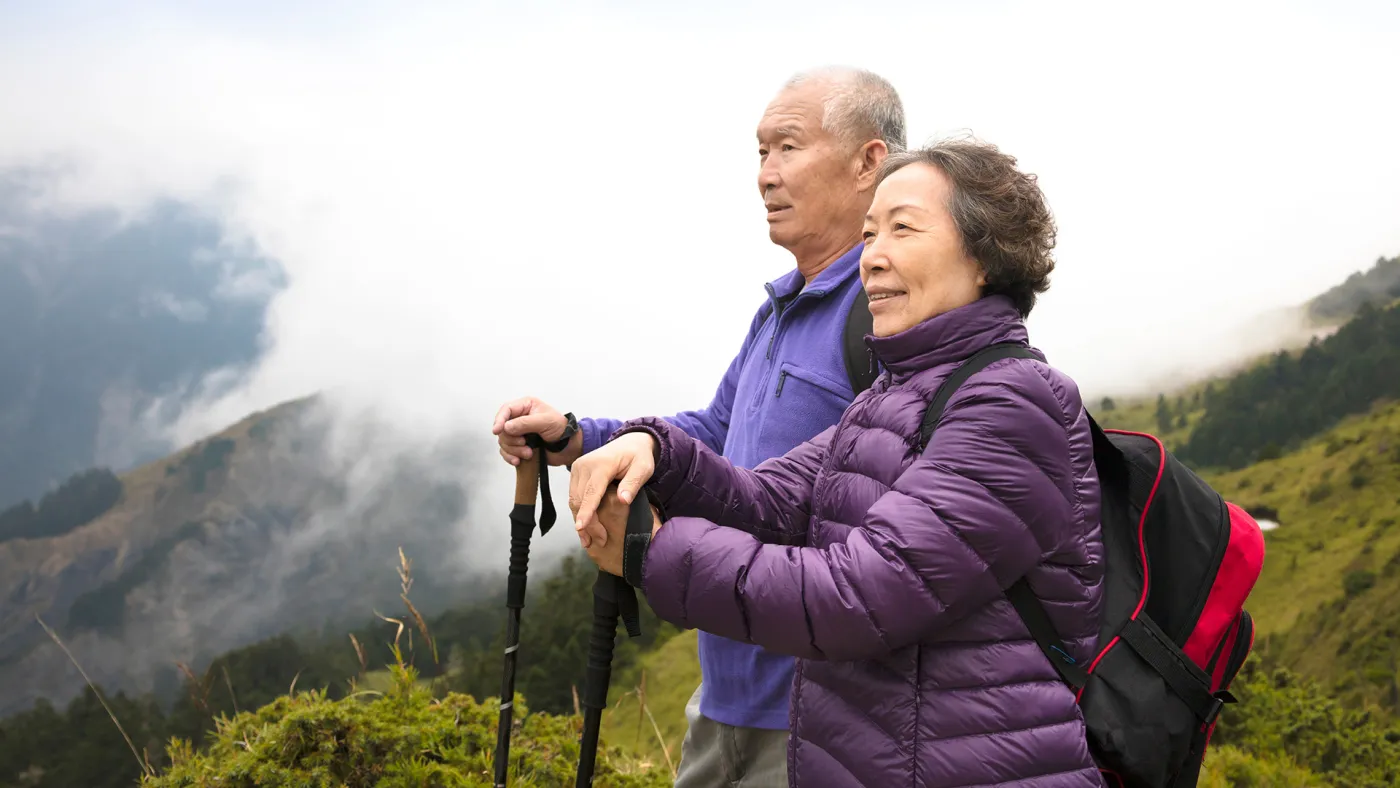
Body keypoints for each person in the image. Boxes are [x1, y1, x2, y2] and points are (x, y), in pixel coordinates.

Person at [569, 136, 1108, 788]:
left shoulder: (1014, 404)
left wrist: (653, 556)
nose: (871, 257)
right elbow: (765, 502)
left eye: (903, 229)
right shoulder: (893, 395)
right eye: (870, 233)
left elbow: (859, 597)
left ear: (985, 256)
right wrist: (657, 449)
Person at [491, 65, 907, 785]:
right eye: (761, 152)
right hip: (722, 700)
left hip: (821, 714)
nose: (765, 175)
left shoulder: (887, 316)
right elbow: (715, 430)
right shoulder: (780, 309)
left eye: (788, 147)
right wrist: (575, 436)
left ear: (869, 161)